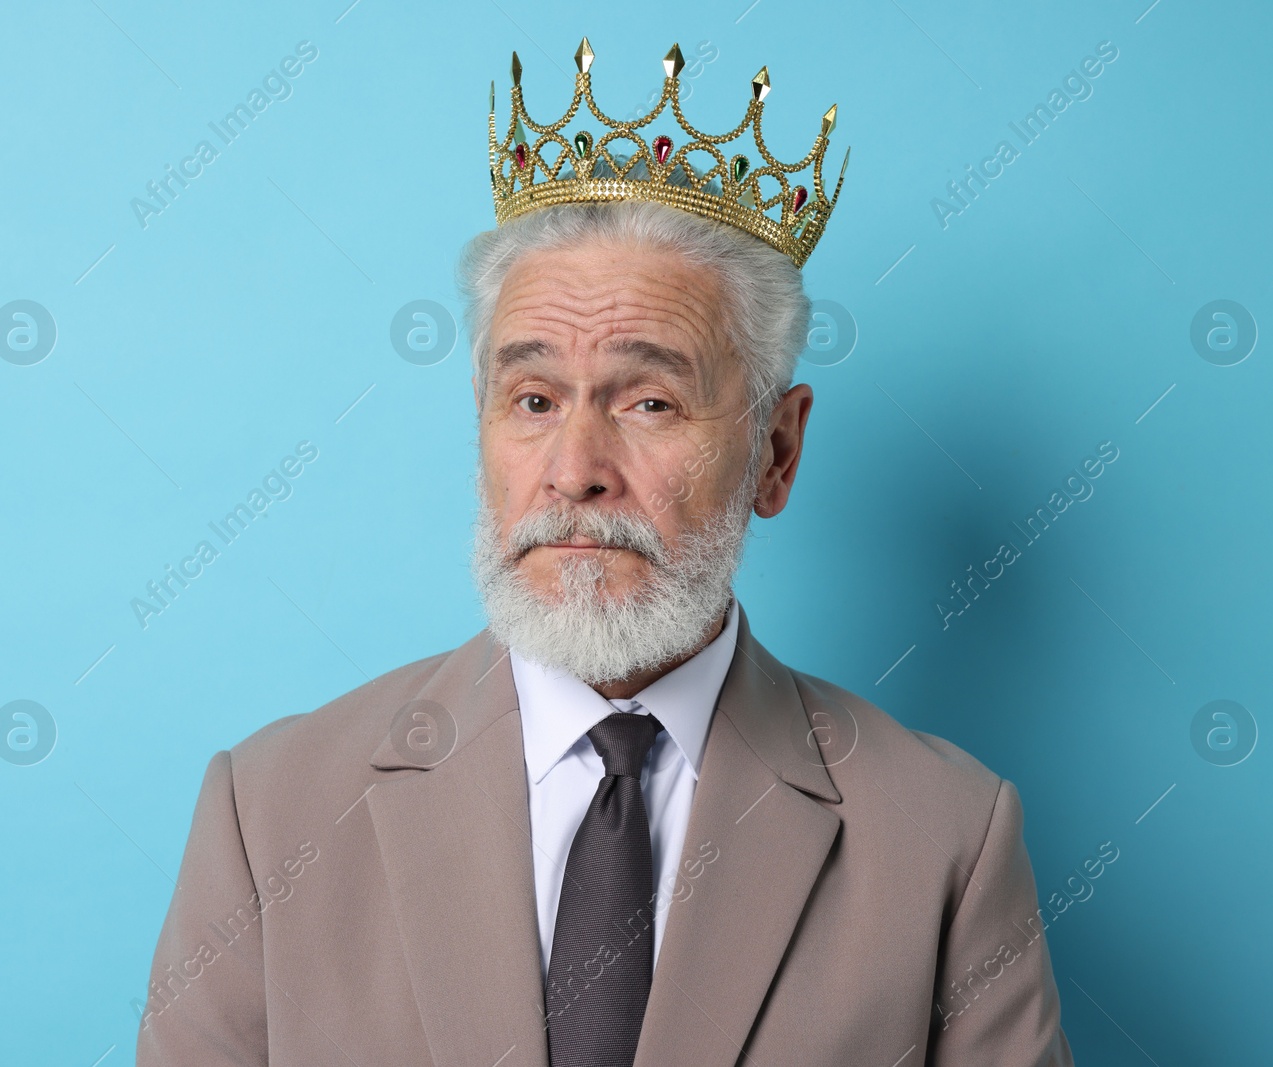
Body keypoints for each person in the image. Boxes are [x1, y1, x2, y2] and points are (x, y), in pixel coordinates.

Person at [136, 38, 1073, 1067]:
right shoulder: (270, 810)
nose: (574, 468)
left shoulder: (945, 834)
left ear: (777, 449)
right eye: (532, 399)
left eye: (649, 401)